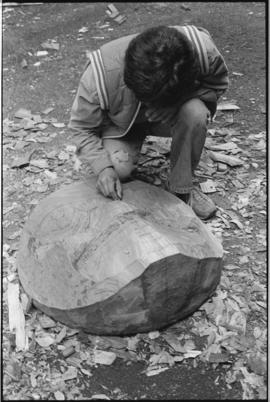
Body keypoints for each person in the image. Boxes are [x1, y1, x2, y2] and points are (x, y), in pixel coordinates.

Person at [69, 25, 229, 219]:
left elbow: (217, 86)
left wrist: (175, 104)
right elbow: (81, 128)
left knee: (195, 113)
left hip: (169, 116)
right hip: (120, 125)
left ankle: (181, 189)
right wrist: (103, 168)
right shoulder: (98, 76)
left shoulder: (204, 52)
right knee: (117, 170)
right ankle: (119, 158)